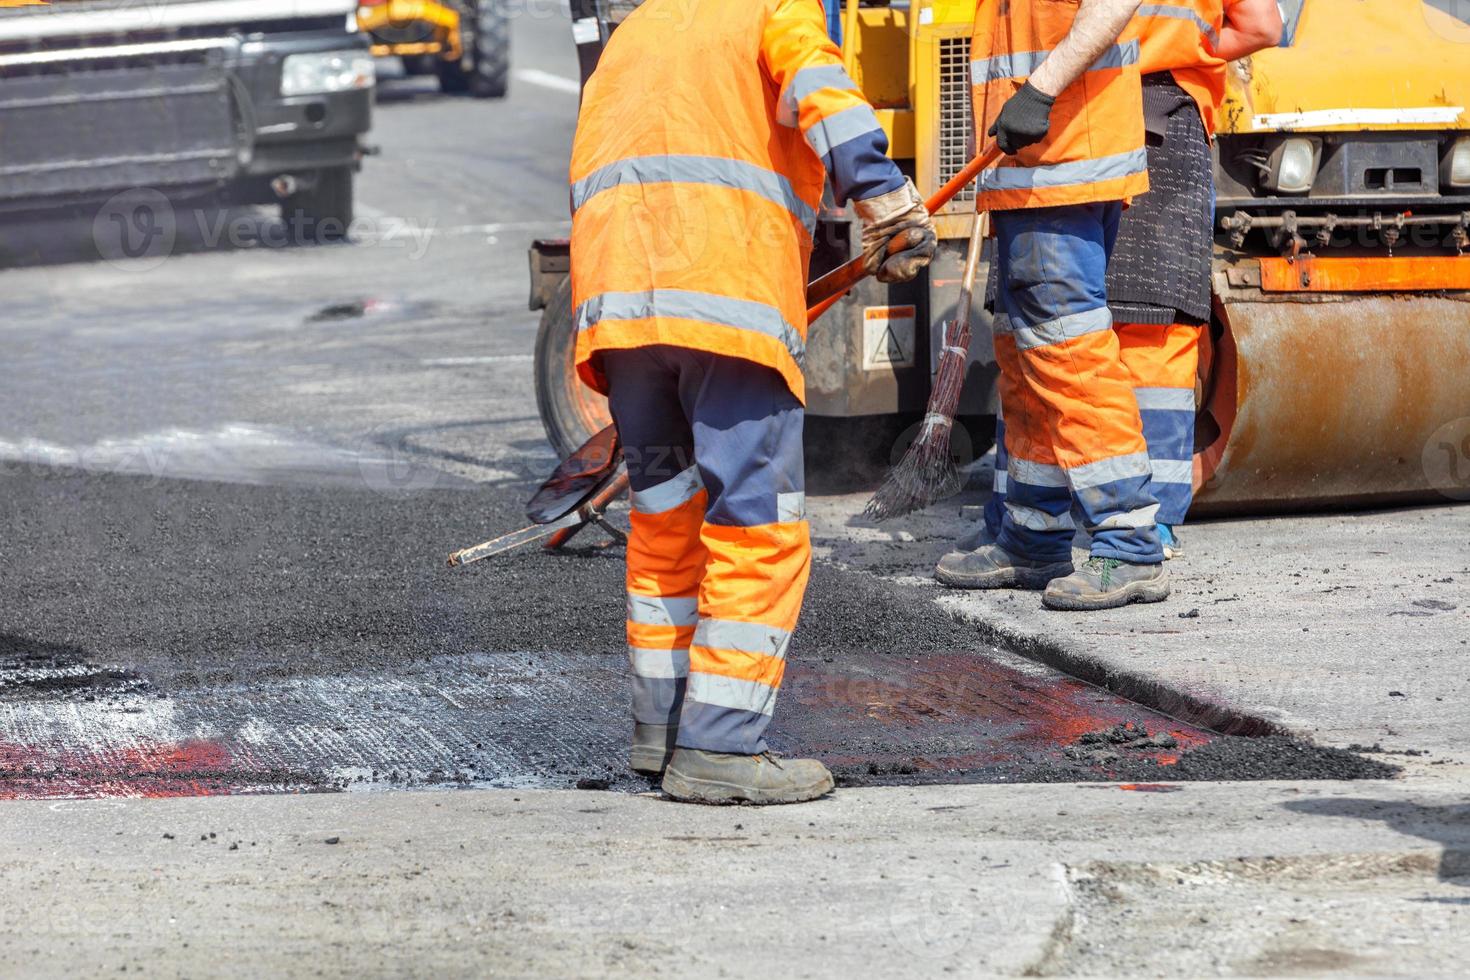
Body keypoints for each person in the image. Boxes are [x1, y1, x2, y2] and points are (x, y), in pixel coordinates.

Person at [570, 0, 936, 804]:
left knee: (667, 518)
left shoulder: (636, 32)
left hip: (621, 313)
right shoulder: (772, 11)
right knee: (756, 522)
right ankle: (723, 749)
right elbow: (828, 100)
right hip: (723, 304)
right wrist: (885, 197)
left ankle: (661, 734)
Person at [945, 0, 1282, 565]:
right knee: (1135, 328)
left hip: (1073, 114)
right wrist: (1179, 50)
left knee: (1057, 334)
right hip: (1155, 109)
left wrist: (1063, 74)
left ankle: (1112, 532)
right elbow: (1262, 26)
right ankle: (1129, 523)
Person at [934, 0, 1170, 611]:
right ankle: (1034, 536)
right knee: (1024, 353)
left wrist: (1039, 90)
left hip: (1064, 160)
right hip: (1028, 170)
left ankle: (1128, 543)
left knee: (1068, 351)